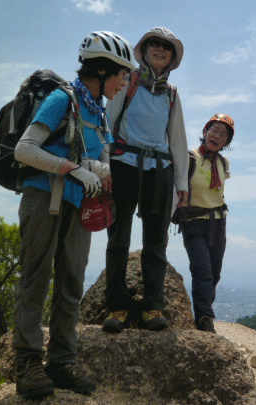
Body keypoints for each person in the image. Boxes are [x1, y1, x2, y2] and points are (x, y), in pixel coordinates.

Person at [12, 31, 135, 400]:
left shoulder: (98, 111)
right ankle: (28, 362)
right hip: (44, 198)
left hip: (78, 205)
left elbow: (102, 159)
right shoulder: (61, 99)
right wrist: (73, 169)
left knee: (71, 283)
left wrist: (97, 169)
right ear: (100, 69)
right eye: (121, 75)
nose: (124, 83)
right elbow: (25, 149)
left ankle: (62, 363)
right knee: (35, 279)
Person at [103, 27, 188, 333]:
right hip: (124, 164)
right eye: (155, 43)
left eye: (167, 46)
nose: (160, 49)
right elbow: (107, 126)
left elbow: (177, 140)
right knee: (118, 239)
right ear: (144, 49)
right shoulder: (128, 81)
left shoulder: (171, 93)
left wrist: (182, 186)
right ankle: (116, 305)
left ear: (172, 57)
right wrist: (104, 170)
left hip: (159, 170)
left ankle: (153, 305)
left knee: (156, 241)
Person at [177, 114, 234, 333]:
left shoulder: (223, 162)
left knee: (215, 272)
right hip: (193, 221)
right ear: (205, 132)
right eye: (215, 130)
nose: (218, 136)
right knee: (202, 271)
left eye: (224, 134)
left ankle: (203, 312)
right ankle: (204, 318)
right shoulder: (189, 157)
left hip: (218, 223)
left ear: (226, 143)